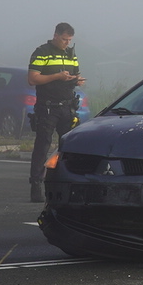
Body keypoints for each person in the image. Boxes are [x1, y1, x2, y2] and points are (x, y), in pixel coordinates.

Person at [26, 23, 85, 202]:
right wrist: (56, 76)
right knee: (42, 146)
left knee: (68, 147)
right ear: (56, 35)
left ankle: (66, 185)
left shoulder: (71, 54)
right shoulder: (42, 52)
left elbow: (74, 75)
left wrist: (76, 80)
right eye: (64, 39)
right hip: (47, 107)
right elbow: (32, 78)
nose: (67, 43)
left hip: (67, 106)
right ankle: (36, 185)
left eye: (70, 40)